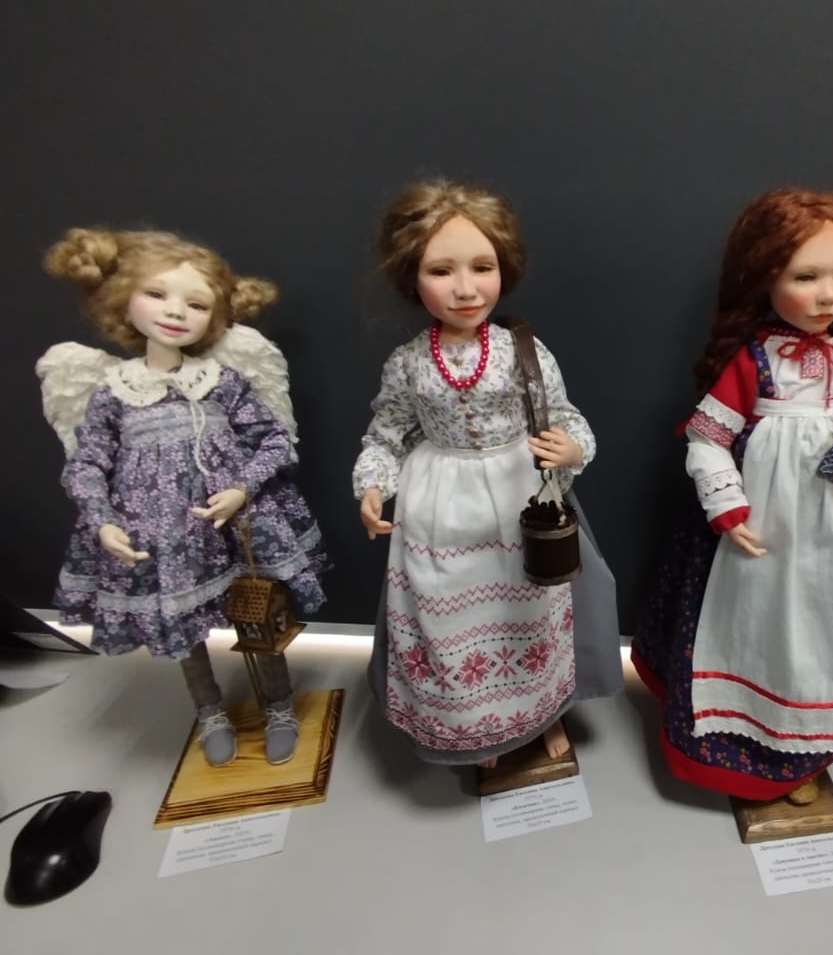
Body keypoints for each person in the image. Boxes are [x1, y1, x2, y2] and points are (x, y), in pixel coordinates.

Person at [632, 187, 833, 804]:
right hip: (762, 527)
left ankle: (803, 746)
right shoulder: (755, 358)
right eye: (805, 277)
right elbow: (707, 437)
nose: (827, 295)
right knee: (755, 626)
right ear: (764, 276)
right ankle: (744, 752)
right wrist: (726, 506)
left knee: (823, 625)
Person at [355, 179, 620, 769]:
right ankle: (475, 729)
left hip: (519, 500)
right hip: (440, 509)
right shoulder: (408, 363)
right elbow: (386, 435)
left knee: (532, 617)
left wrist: (571, 448)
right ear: (411, 276)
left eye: (482, 267)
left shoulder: (523, 349)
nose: (466, 288)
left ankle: (543, 713)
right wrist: (372, 485)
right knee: (454, 625)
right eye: (441, 270)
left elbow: (567, 416)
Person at [37, 228, 326, 766]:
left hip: (232, 528)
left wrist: (241, 487)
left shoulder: (220, 380)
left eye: (196, 303)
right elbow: (89, 462)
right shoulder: (112, 392)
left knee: (257, 612)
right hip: (161, 537)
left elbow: (272, 439)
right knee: (183, 628)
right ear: (123, 298)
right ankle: (209, 709)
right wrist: (102, 519)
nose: (175, 312)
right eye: (157, 294)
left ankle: (279, 705)